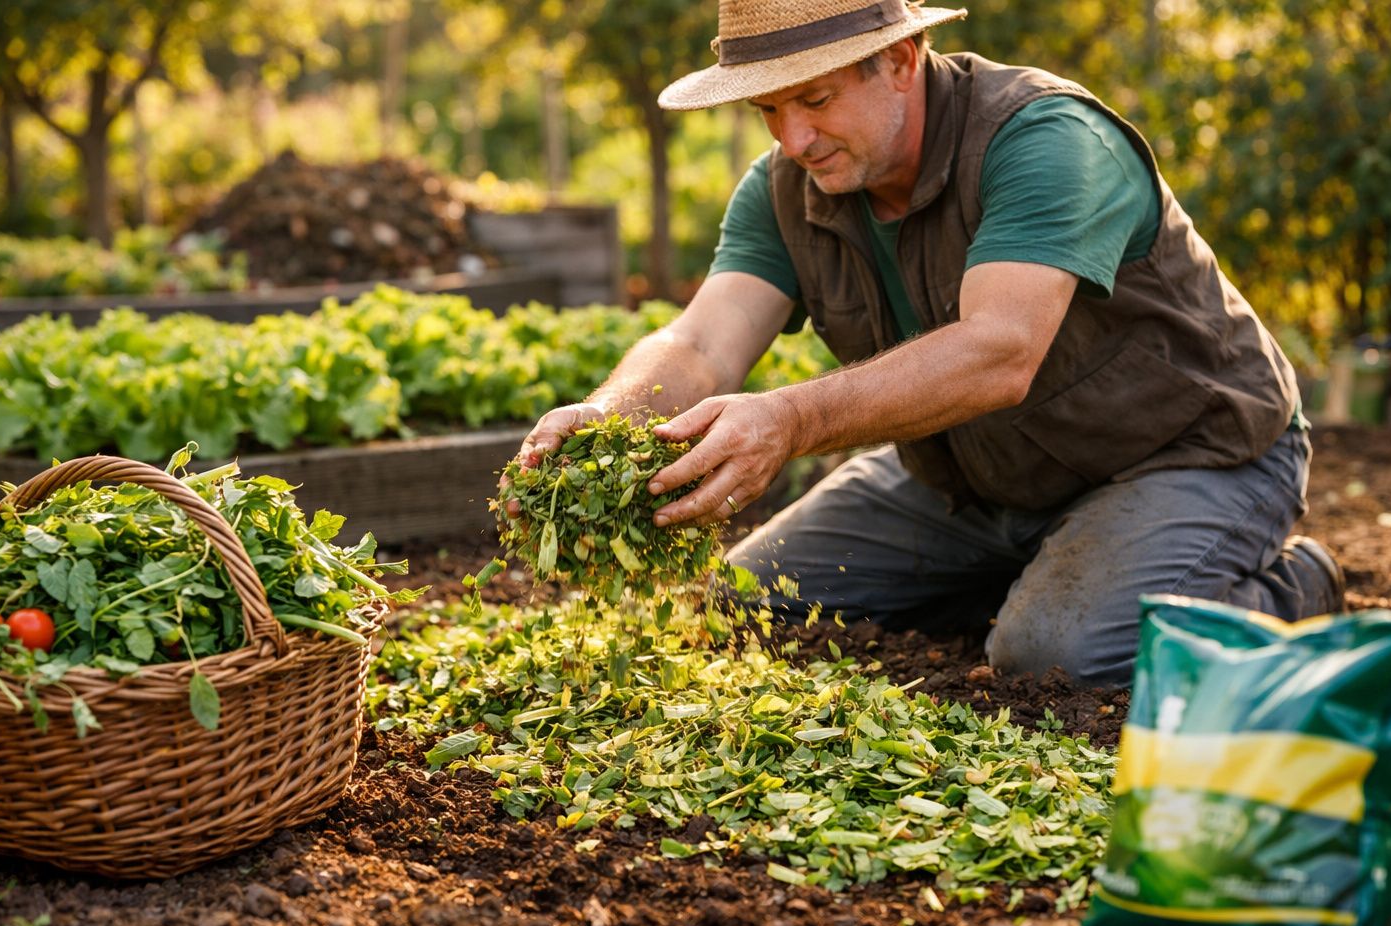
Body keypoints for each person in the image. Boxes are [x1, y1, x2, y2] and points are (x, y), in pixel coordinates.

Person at [510, 0, 1345, 686]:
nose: (791, 138)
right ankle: (1036, 580)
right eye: (768, 108)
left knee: (1055, 659)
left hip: (1182, 455)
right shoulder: (785, 189)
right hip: (971, 480)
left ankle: (1289, 590)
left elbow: (1000, 350)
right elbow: (700, 343)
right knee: (748, 605)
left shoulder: (1043, 139)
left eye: (816, 99)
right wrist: (609, 416)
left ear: (904, 58)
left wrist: (792, 421)